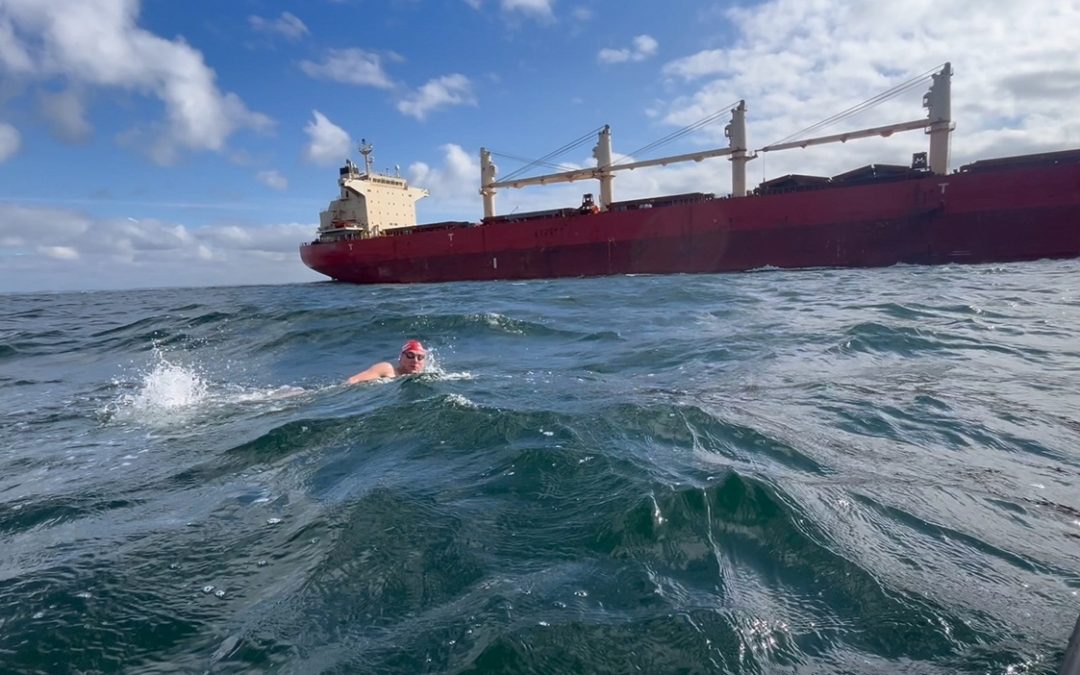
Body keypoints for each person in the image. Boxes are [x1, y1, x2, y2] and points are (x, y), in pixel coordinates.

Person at [346, 339, 428, 384]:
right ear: (401, 357)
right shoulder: (387, 369)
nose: (415, 360)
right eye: (410, 355)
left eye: (420, 357)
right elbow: (353, 381)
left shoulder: (426, 375)